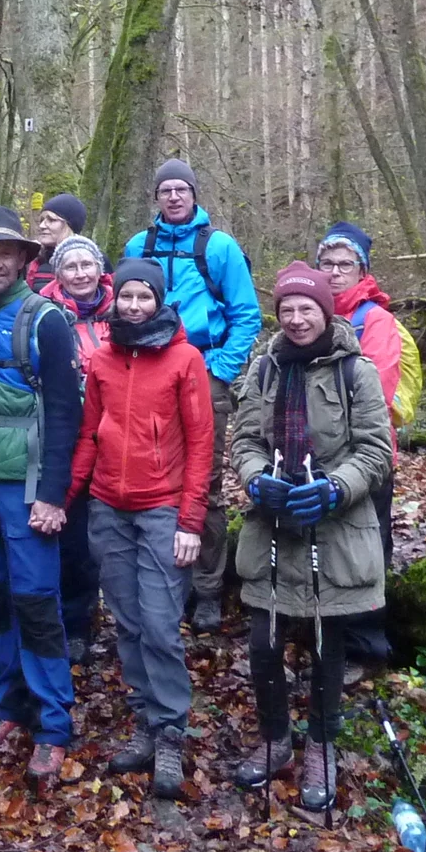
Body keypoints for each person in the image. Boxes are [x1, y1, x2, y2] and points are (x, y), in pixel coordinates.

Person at [229, 263, 391, 815]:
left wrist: (334, 488)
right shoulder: (265, 368)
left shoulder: (355, 371)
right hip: (272, 527)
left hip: (335, 530)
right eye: (288, 309)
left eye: (308, 309)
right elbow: (245, 438)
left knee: (326, 646)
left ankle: (321, 746)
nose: (297, 319)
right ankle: (276, 739)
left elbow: (376, 451)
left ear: (326, 311)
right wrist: (256, 478)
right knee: (264, 643)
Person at [67, 257, 213, 798]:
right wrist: (65, 496)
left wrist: (191, 519)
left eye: (143, 298)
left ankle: (171, 729)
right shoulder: (104, 359)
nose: (133, 306)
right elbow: (89, 434)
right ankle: (145, 721)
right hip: (108, 506)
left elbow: (201, 444)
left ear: (158, 301)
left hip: (161, 510)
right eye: (125, 297)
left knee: (158, 623)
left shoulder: (185, 359)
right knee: (127, 622)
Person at [0, 207, 83, 790]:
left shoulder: (47, 321)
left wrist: (52, 495)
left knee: (35, 603)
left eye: (8, 253)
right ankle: (8, 708)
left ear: (29, 259)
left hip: (24, 490)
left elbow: (65, 412)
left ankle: (54, 726)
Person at [123, 160, 262, 634]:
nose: (174, 197)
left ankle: (207, 589)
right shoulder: (137, 247)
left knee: (204, 485)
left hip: (203, 372)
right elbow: (122, 310)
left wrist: (218, 370)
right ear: (156, 197)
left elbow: (247, 315)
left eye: (182, 189)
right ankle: (168, 582)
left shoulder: (219, 247)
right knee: (157, 479)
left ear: (195, 195)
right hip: (146, 378)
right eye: (166, 190)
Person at [315, 221, 410, 682]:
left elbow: (377, 391)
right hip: (317, 458)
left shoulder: (376, 321)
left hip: (366, 459)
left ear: (361, 270)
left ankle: (364, 647)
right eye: (326, 264)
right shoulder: (309, 313)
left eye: (344, 265)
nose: (334, 273)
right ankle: (325, 635)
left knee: (366, 549)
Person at [40, 233, 112, 663]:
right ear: (59, 272)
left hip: (117, 436)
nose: (80, 274)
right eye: (71, 266)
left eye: (87, 265)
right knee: (73, 538)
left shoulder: (123, 309)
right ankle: (75, 621)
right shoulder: (45, 313)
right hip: (65, 435)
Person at [28, 192, 88, 293]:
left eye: (51, 220)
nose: (42, 226)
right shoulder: (32, 259)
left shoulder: (92, 260)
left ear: (69, 226)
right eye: (42, 220)